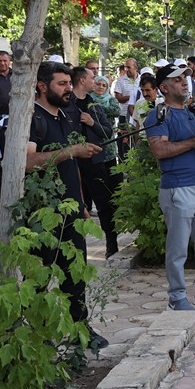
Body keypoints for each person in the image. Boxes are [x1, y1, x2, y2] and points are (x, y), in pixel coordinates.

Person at [26, 62, 106, 345]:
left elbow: (71, 168)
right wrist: (71, 150)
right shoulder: (30, 117)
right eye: (62, 84)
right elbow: (27, 163)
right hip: (43, 214)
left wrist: (82, 202)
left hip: (72, 209)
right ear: (42, 85)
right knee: (40, 278)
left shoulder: (65, 116)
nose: (69, 88)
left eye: (69, 83)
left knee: (76, 275)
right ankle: (38, 337)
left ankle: (80, 332)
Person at [144, 64, 195, 311]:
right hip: (179, 187)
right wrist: (193, 143)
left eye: (185, 79)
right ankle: (177, 296)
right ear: (164, 88)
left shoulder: (194, 113)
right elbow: (159, 150)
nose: (183, 83)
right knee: (178, 247)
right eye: (177, 80)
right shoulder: (159, 115)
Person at [65, 65, 123, 257]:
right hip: (70, 161)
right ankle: (75, 249)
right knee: (75, 206)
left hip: (95, 161)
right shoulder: (66, 103)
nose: (95, 81)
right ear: (82, 80)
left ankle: (111, 244)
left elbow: (108, 131)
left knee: (105, 204)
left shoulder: (94, 105)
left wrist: (92, 123)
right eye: (92, 77)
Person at [113, 57, 141, 125]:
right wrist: (132, 97)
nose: (126, 69)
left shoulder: (142, 80)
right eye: (125, 67)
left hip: (140, 115)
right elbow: (119, 99)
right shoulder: (120, 80)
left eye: (128, 67)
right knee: (124, 135)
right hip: (124, 114)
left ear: (136, 67)